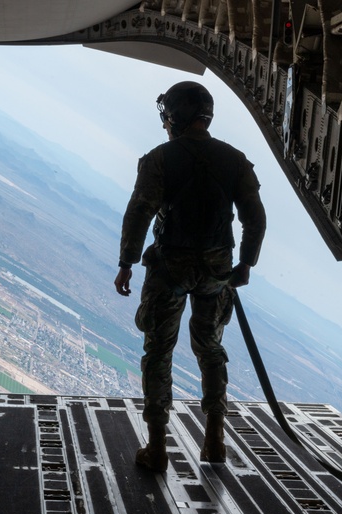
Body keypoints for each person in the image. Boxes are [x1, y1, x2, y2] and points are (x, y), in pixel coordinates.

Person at [114, 81, 266, 472]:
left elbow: (140, 212)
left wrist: (127, 262)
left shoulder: (159, 159)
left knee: (158, 352)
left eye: (167, 117)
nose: (165, 123)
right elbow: (255, 218)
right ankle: (214, 439)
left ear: (176, 118)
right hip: (217, 273)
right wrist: (245, 264)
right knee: (210, 350)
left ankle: (157, 447)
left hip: (170, 268)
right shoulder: (235, 160)